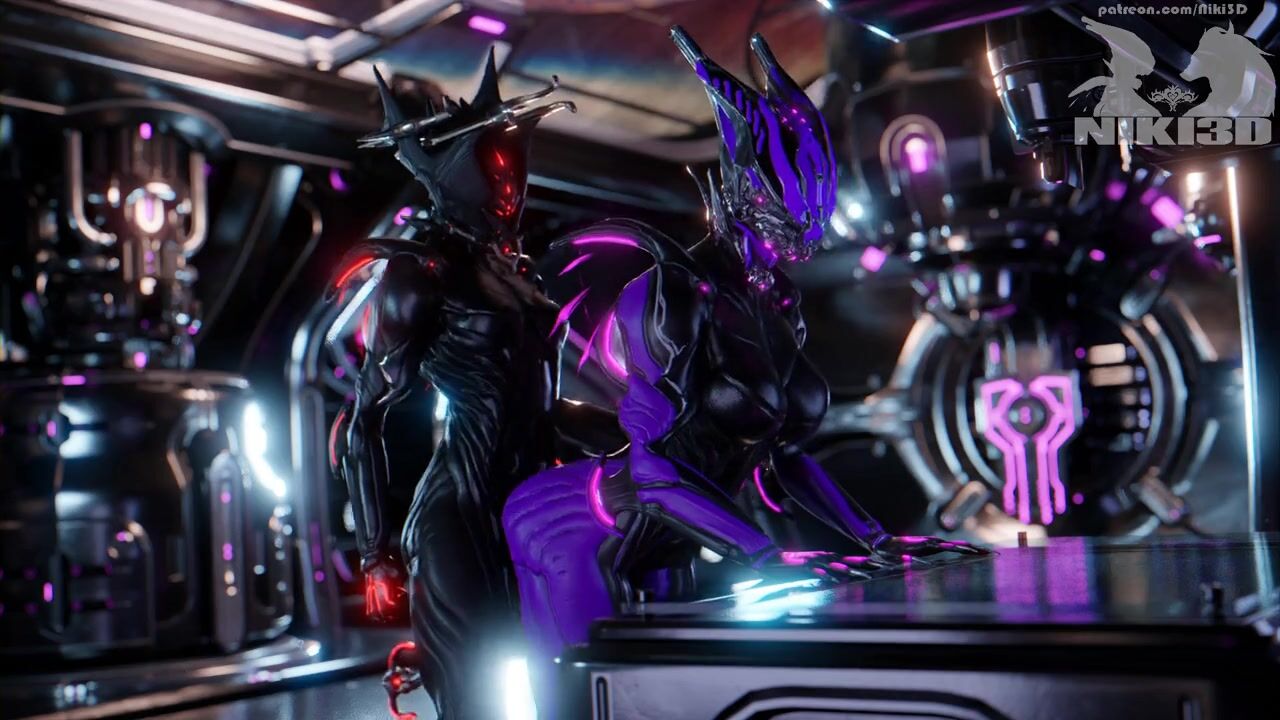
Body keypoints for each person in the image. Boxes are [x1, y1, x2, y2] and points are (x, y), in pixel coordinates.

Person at [502, 26, 984, 716]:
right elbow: (653, 471)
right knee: (596, 701)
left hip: (673, 540)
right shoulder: (669, 293)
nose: (798, 238)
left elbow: (779, 455)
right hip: (579, 526)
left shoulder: (778, 299)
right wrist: (762, 557)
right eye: (783, 216)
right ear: (744, 193)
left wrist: (878, 542)